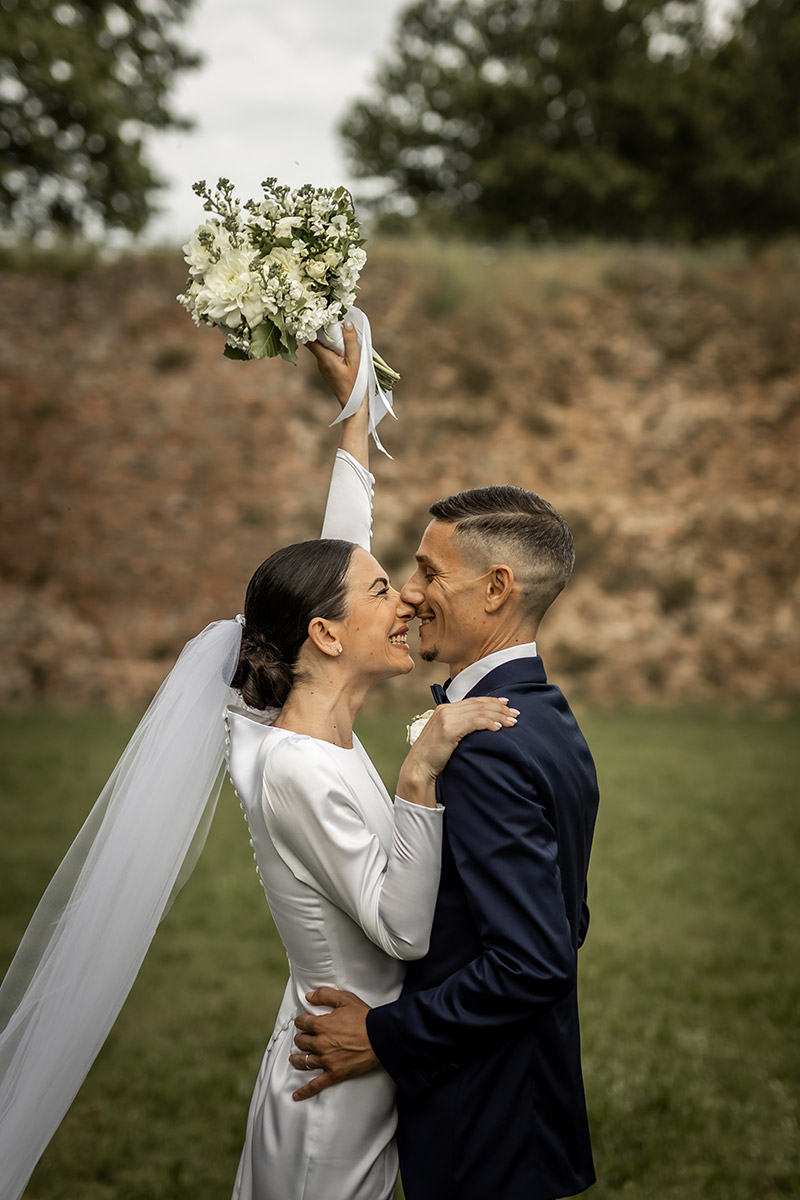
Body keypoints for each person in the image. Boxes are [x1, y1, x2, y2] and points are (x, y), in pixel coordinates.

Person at [0, 323, 516, 1200]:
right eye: (386, 594)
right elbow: (402, 932)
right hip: (333, 1079)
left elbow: (335, 557)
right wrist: (421, 774)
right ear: (324, 634)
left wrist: (354, 414)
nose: (408, 605)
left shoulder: (274, 712)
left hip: (360, 1054)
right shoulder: (295, 769)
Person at [291, 480, 601, 1200]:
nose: (408, 592)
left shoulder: (489, 746)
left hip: (485, 1117)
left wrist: (385, 1036)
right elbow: (567, 919)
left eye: (430, 572)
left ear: (497, 589)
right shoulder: (549, 720)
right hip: (522, 1097)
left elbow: (533, 960)